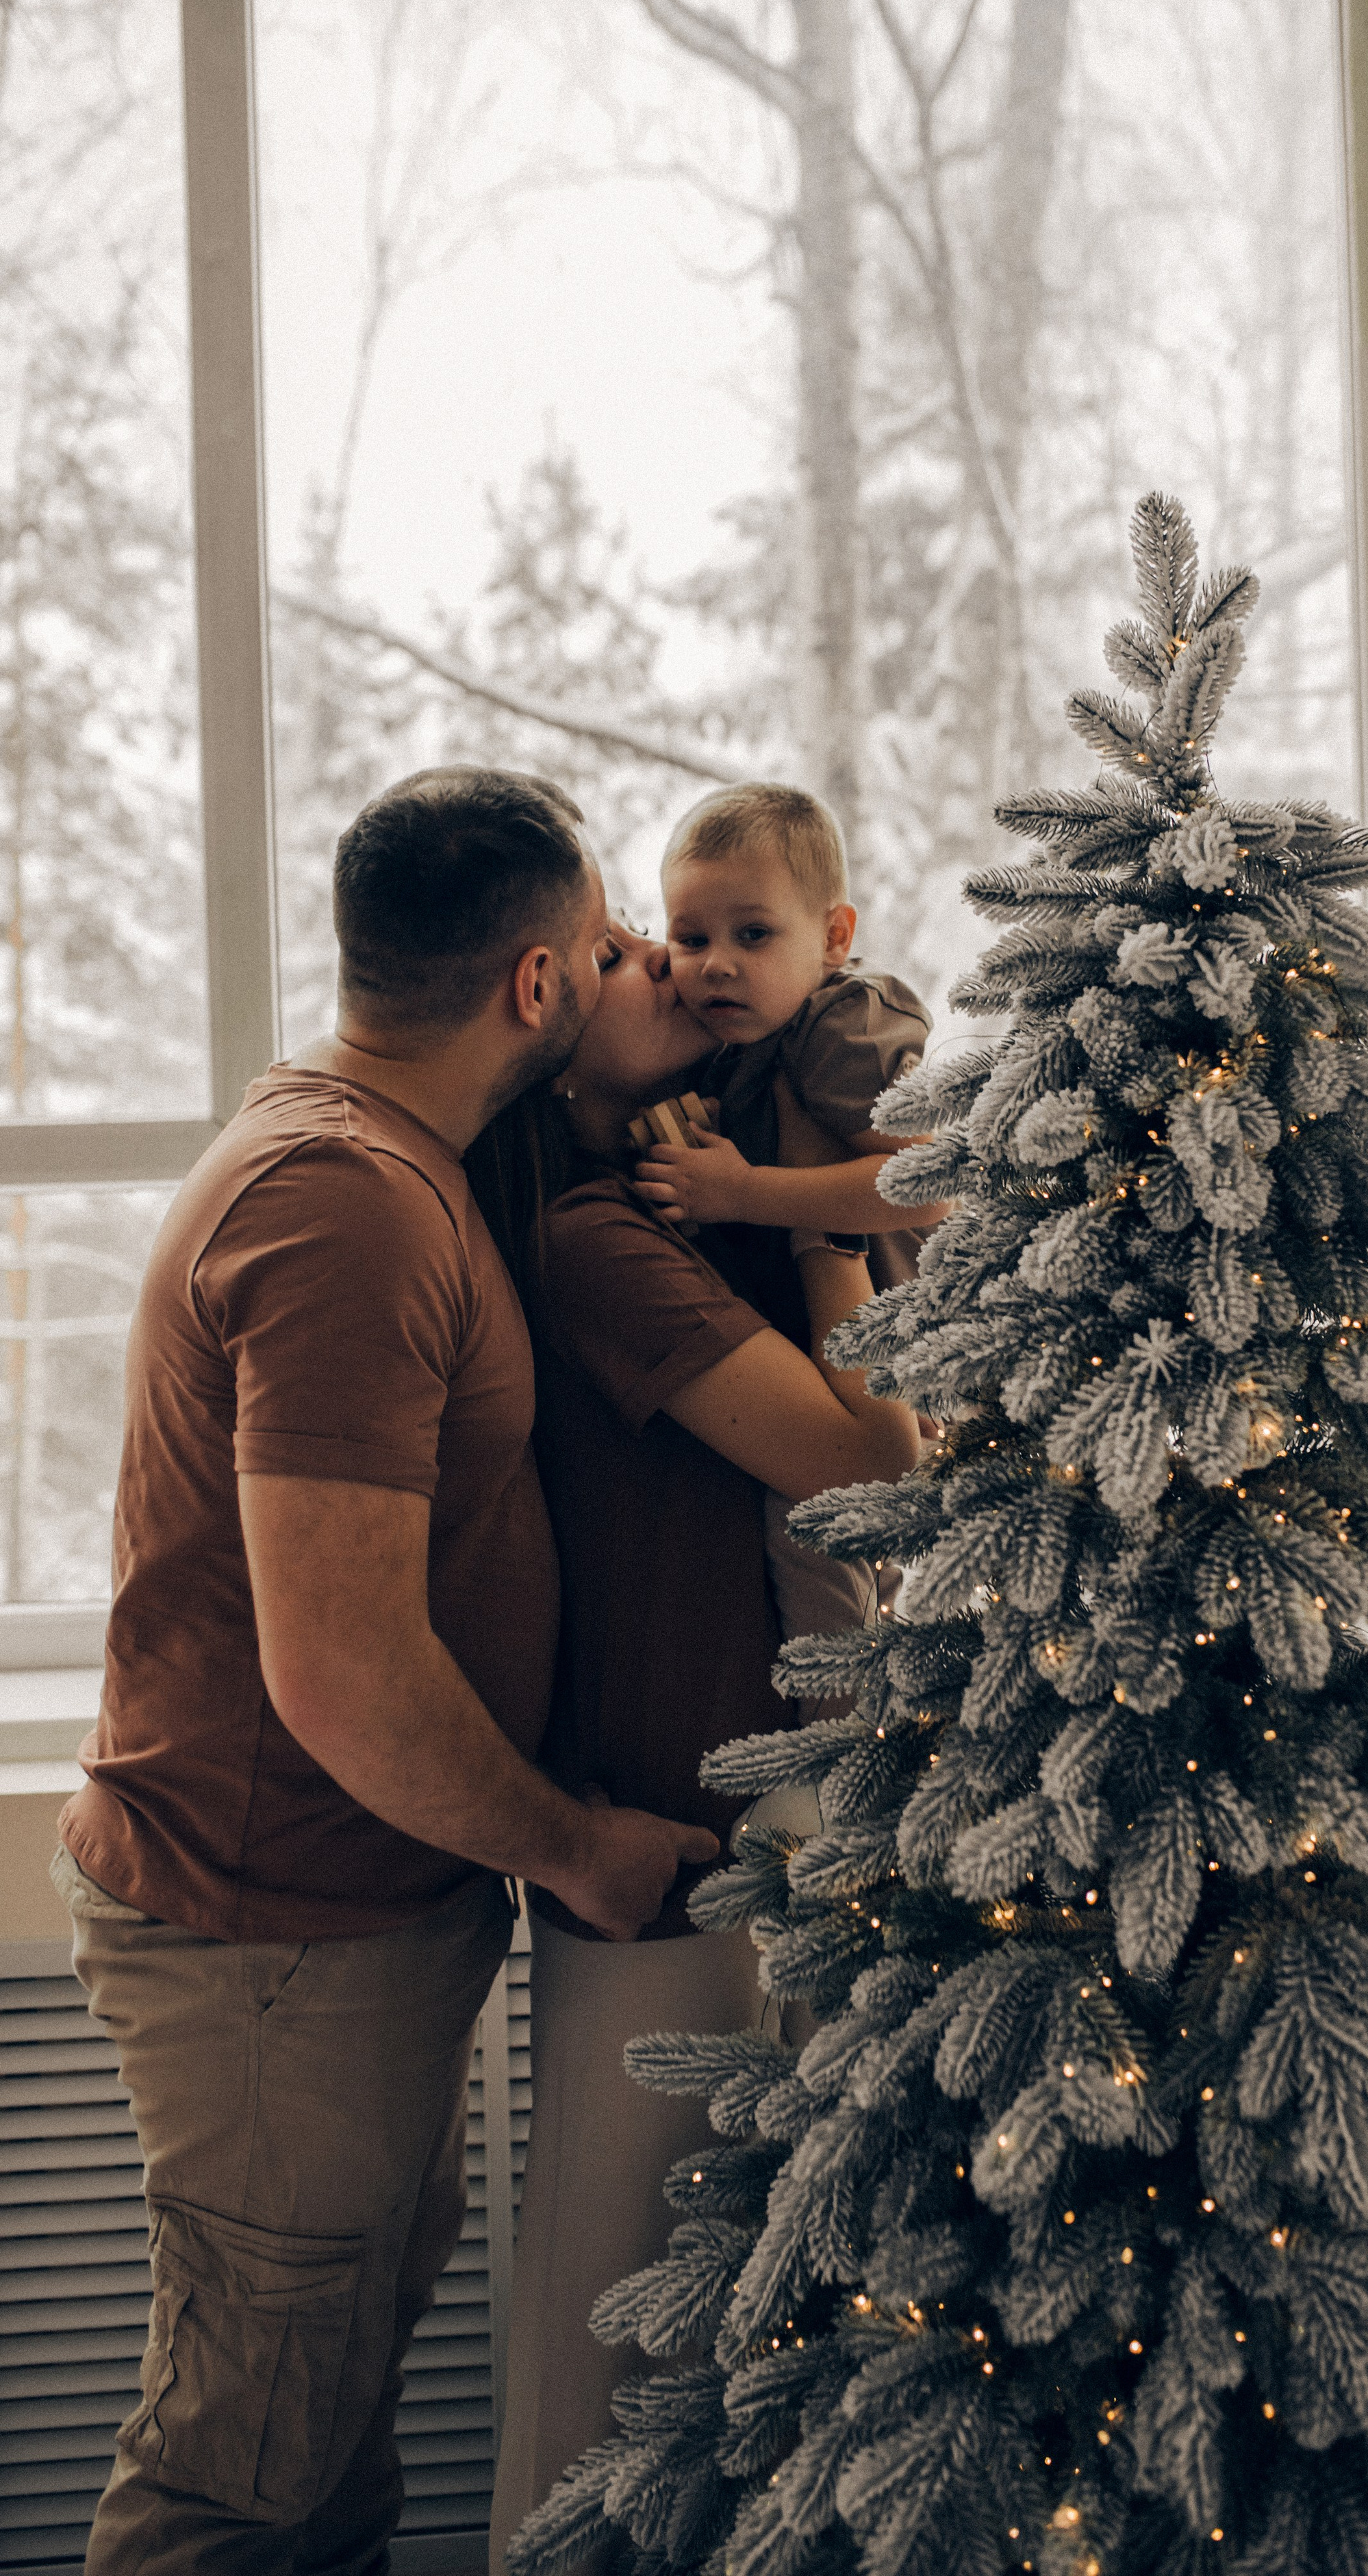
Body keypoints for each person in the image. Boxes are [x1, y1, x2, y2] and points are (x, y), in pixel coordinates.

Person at [53, 766, 721, 2576]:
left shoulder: (388, 1153)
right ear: (528, 985)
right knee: (241, 2485)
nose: (641, 970)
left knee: (321, 2452)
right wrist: (578, 1848)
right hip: (282, 1942)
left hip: (330, 1931)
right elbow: (340, 1671)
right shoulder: (345, 1213)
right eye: (605, 950)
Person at [470, 928, 920, 2568]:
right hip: (666, 1827)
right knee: (610, 2337)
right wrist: (800, 1195)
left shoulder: (684, 1204)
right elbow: (874, 1455)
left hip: (776, 1805)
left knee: (745, 2326)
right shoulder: (595, 1238)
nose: (671, 954)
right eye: (621, 951)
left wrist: (784, 1181)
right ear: (556, 1047)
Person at [632, 780, 948, 1648]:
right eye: (689, 938)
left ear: (834, 938)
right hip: (812, 1360)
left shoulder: (842, 1024)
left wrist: (744, 1192)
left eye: (753, 934)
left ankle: (839, 1740)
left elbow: (925, 1181)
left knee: (817, 1538)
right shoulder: (724, 1045)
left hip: (897, 1347)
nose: (716, 963)